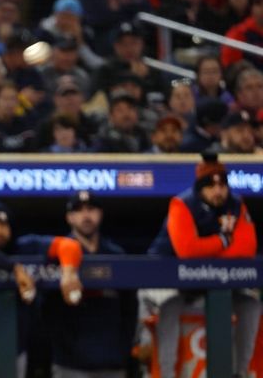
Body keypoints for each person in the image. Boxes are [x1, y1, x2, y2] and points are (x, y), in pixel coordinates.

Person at [147, 153, 259, 378]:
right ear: (200, 188)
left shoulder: (236, 204)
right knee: (169, 307)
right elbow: (187, 251)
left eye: (222, 186)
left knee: (251, 306)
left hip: (215, 279)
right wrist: (224, 242)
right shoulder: (182, 204)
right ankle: (166, 374)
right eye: (211, 186)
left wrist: (208, 251)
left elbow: (248, 247)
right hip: (170, 277)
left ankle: (241, 372)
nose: (218, 192)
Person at [0, 200, 84, 378]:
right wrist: (14, 268)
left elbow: (68, 245)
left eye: (4, 225)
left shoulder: (23, 247)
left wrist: (69, 273)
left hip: (15, 350)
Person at [44, 191, 137, 377]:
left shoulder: (116, 255)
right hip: (70, 364)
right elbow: (46, 312)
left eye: (91, 209)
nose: (86, 215)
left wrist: (123, 349)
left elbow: (130, 308)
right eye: (78, 211)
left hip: (111, 362)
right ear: (69, 218)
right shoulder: (56, 257)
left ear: (100, 214)